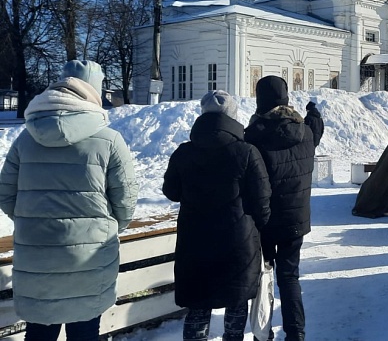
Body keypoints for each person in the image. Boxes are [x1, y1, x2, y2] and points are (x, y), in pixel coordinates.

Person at [0, 60, 139, 341]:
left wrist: (34, 222)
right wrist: (107, 227)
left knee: (39, 332)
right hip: (89, 258)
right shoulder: (109, 139)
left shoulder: (26, 139)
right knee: (84, 331)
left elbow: (6, 193)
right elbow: (126, 198)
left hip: (37, 255)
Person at [163, 90, 271, 341]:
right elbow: (262, 201)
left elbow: (171, 191)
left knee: (199, 305)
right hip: (238, 242)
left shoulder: (183, 152)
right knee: (236, 302)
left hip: (195, 241)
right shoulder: (246, 152)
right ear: (233, 117)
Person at [245, 76, 315, 341]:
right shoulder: (306, 132)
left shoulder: (253, 134)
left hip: (263, 220)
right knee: (289, 277)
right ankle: (296, 333)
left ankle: (262, 333)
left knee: (261, 277)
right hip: (295, 219)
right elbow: (315, 130)